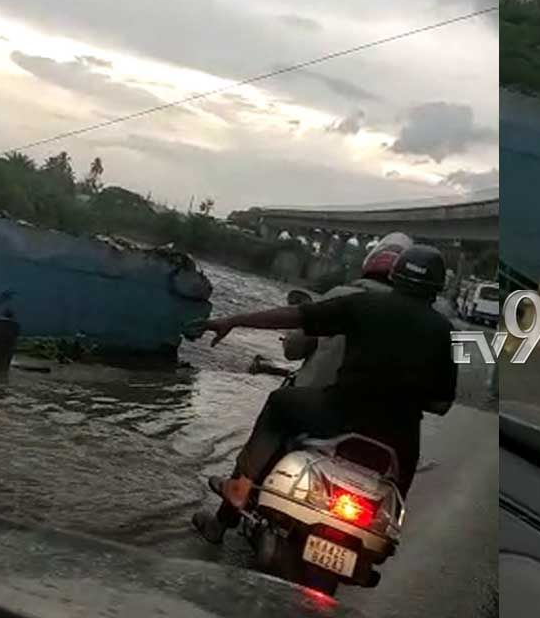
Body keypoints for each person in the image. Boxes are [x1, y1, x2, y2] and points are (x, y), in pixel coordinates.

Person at [189, 244, 456, 545]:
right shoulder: (448, 332)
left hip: (337, 415)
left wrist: (233, 321)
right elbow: (443, 402)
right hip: (397, 437)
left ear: (396, 275)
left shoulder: (363, 304)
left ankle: (238, 494)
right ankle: (387, 537)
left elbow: (294, 317)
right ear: (437, 288)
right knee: (400, 477)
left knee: (279, 403)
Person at [294, 232, 413, 389]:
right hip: (372, 408)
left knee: (280, 400)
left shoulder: (338, 295)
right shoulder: (422, 319)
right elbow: (441, 401)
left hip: (313, 396)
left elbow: (293, 348)